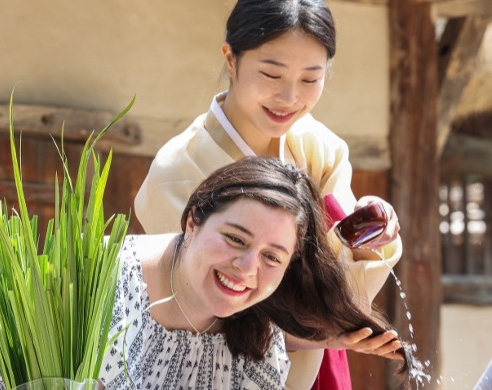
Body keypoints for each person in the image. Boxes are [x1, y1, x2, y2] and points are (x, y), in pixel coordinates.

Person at [0, 157, 408, 390]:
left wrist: (326, 336)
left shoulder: (259, 343)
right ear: (194, 218)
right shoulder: (100, 286)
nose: (246, 268)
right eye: (236, 239)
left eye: (271, 257)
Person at [133, 0, 403, 389]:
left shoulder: (320, 149)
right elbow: (203, 311)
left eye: (311, 79)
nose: (289, 97)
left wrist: (369, 237)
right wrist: (323, 328)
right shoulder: (178, 174)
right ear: (231, 59)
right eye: (271, 74)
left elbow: (347, 288)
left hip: (316, 370)